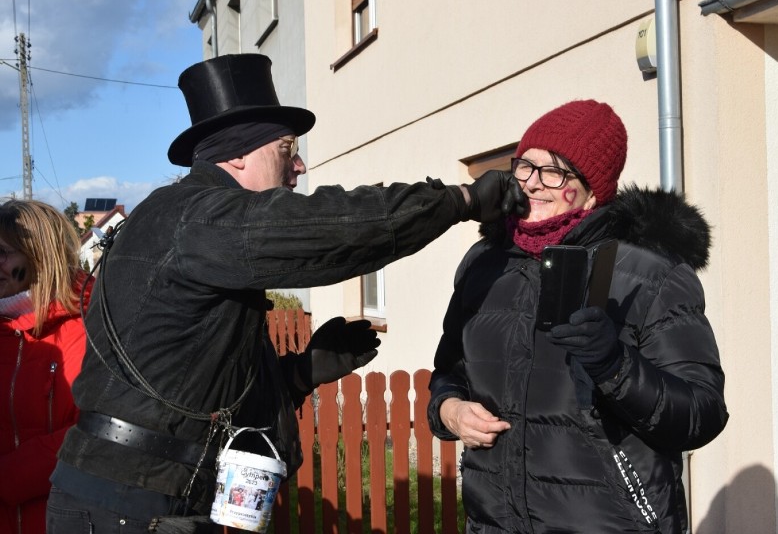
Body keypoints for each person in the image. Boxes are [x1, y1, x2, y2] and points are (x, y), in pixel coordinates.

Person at [45, 53, 525, 533]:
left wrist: (299, 374)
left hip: (134, 492)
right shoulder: (203, 217)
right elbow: (338, 228)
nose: (297, 165)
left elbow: (187, 371)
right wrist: (461, 200)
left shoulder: (183, 220)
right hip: (125, 504)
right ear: (237, 153)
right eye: (286, 148)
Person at [428, 100, 728, 533]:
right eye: (524, 166)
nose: (532, 183)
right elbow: (449, 370)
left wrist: (615, 365)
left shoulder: (650, 274)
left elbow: (702, 412)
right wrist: (450, 409)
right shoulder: (484, 264)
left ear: (592, 191)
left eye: (555, 172)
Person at [0, 199, 88, 534]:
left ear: (40, 256)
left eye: (4, 252)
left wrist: (8, 477)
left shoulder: (88, 328)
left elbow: (94, 430)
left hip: (62, 520)